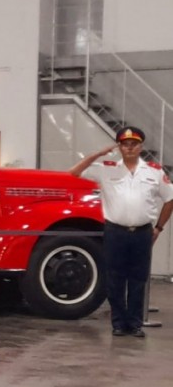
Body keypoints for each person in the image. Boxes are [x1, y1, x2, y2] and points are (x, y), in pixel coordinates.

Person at [69, 126, 173, 338]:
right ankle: (118, 323)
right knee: (114, 279)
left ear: (141, 146)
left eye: (134, 144)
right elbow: (74, 172)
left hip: (143, 233)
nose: (130, 148)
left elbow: (169, 199)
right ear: (119, 147)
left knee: (138, 279)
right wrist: (98, 154)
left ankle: (135, 324)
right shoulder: (106, 168)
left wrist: (159, 228)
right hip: (116, 232)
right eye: (125, 144)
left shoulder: (154, 171)